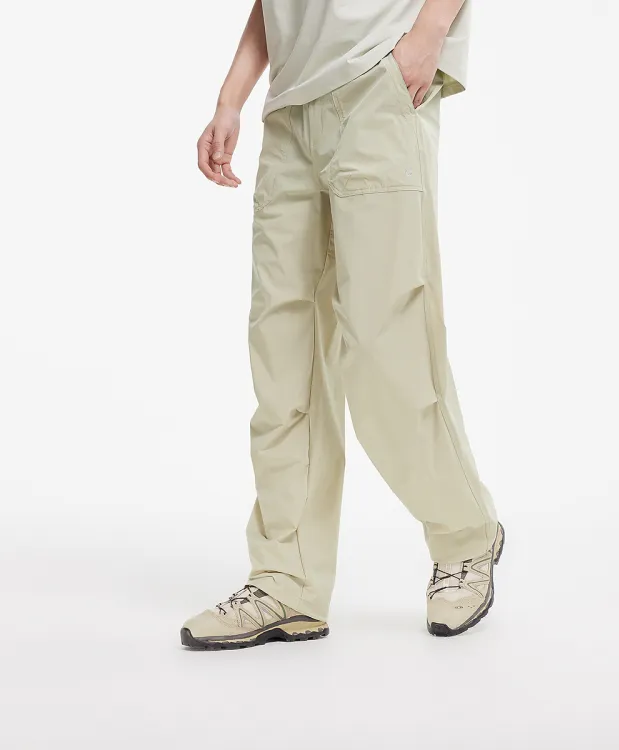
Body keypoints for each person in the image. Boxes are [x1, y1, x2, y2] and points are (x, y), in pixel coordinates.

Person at [181, 0, 504, 650]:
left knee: (387, 346)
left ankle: (464, 536)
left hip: (377, 85)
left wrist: (428, 34)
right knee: (283, 358)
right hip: (289, 108)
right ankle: (286, 580)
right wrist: (230, 98)